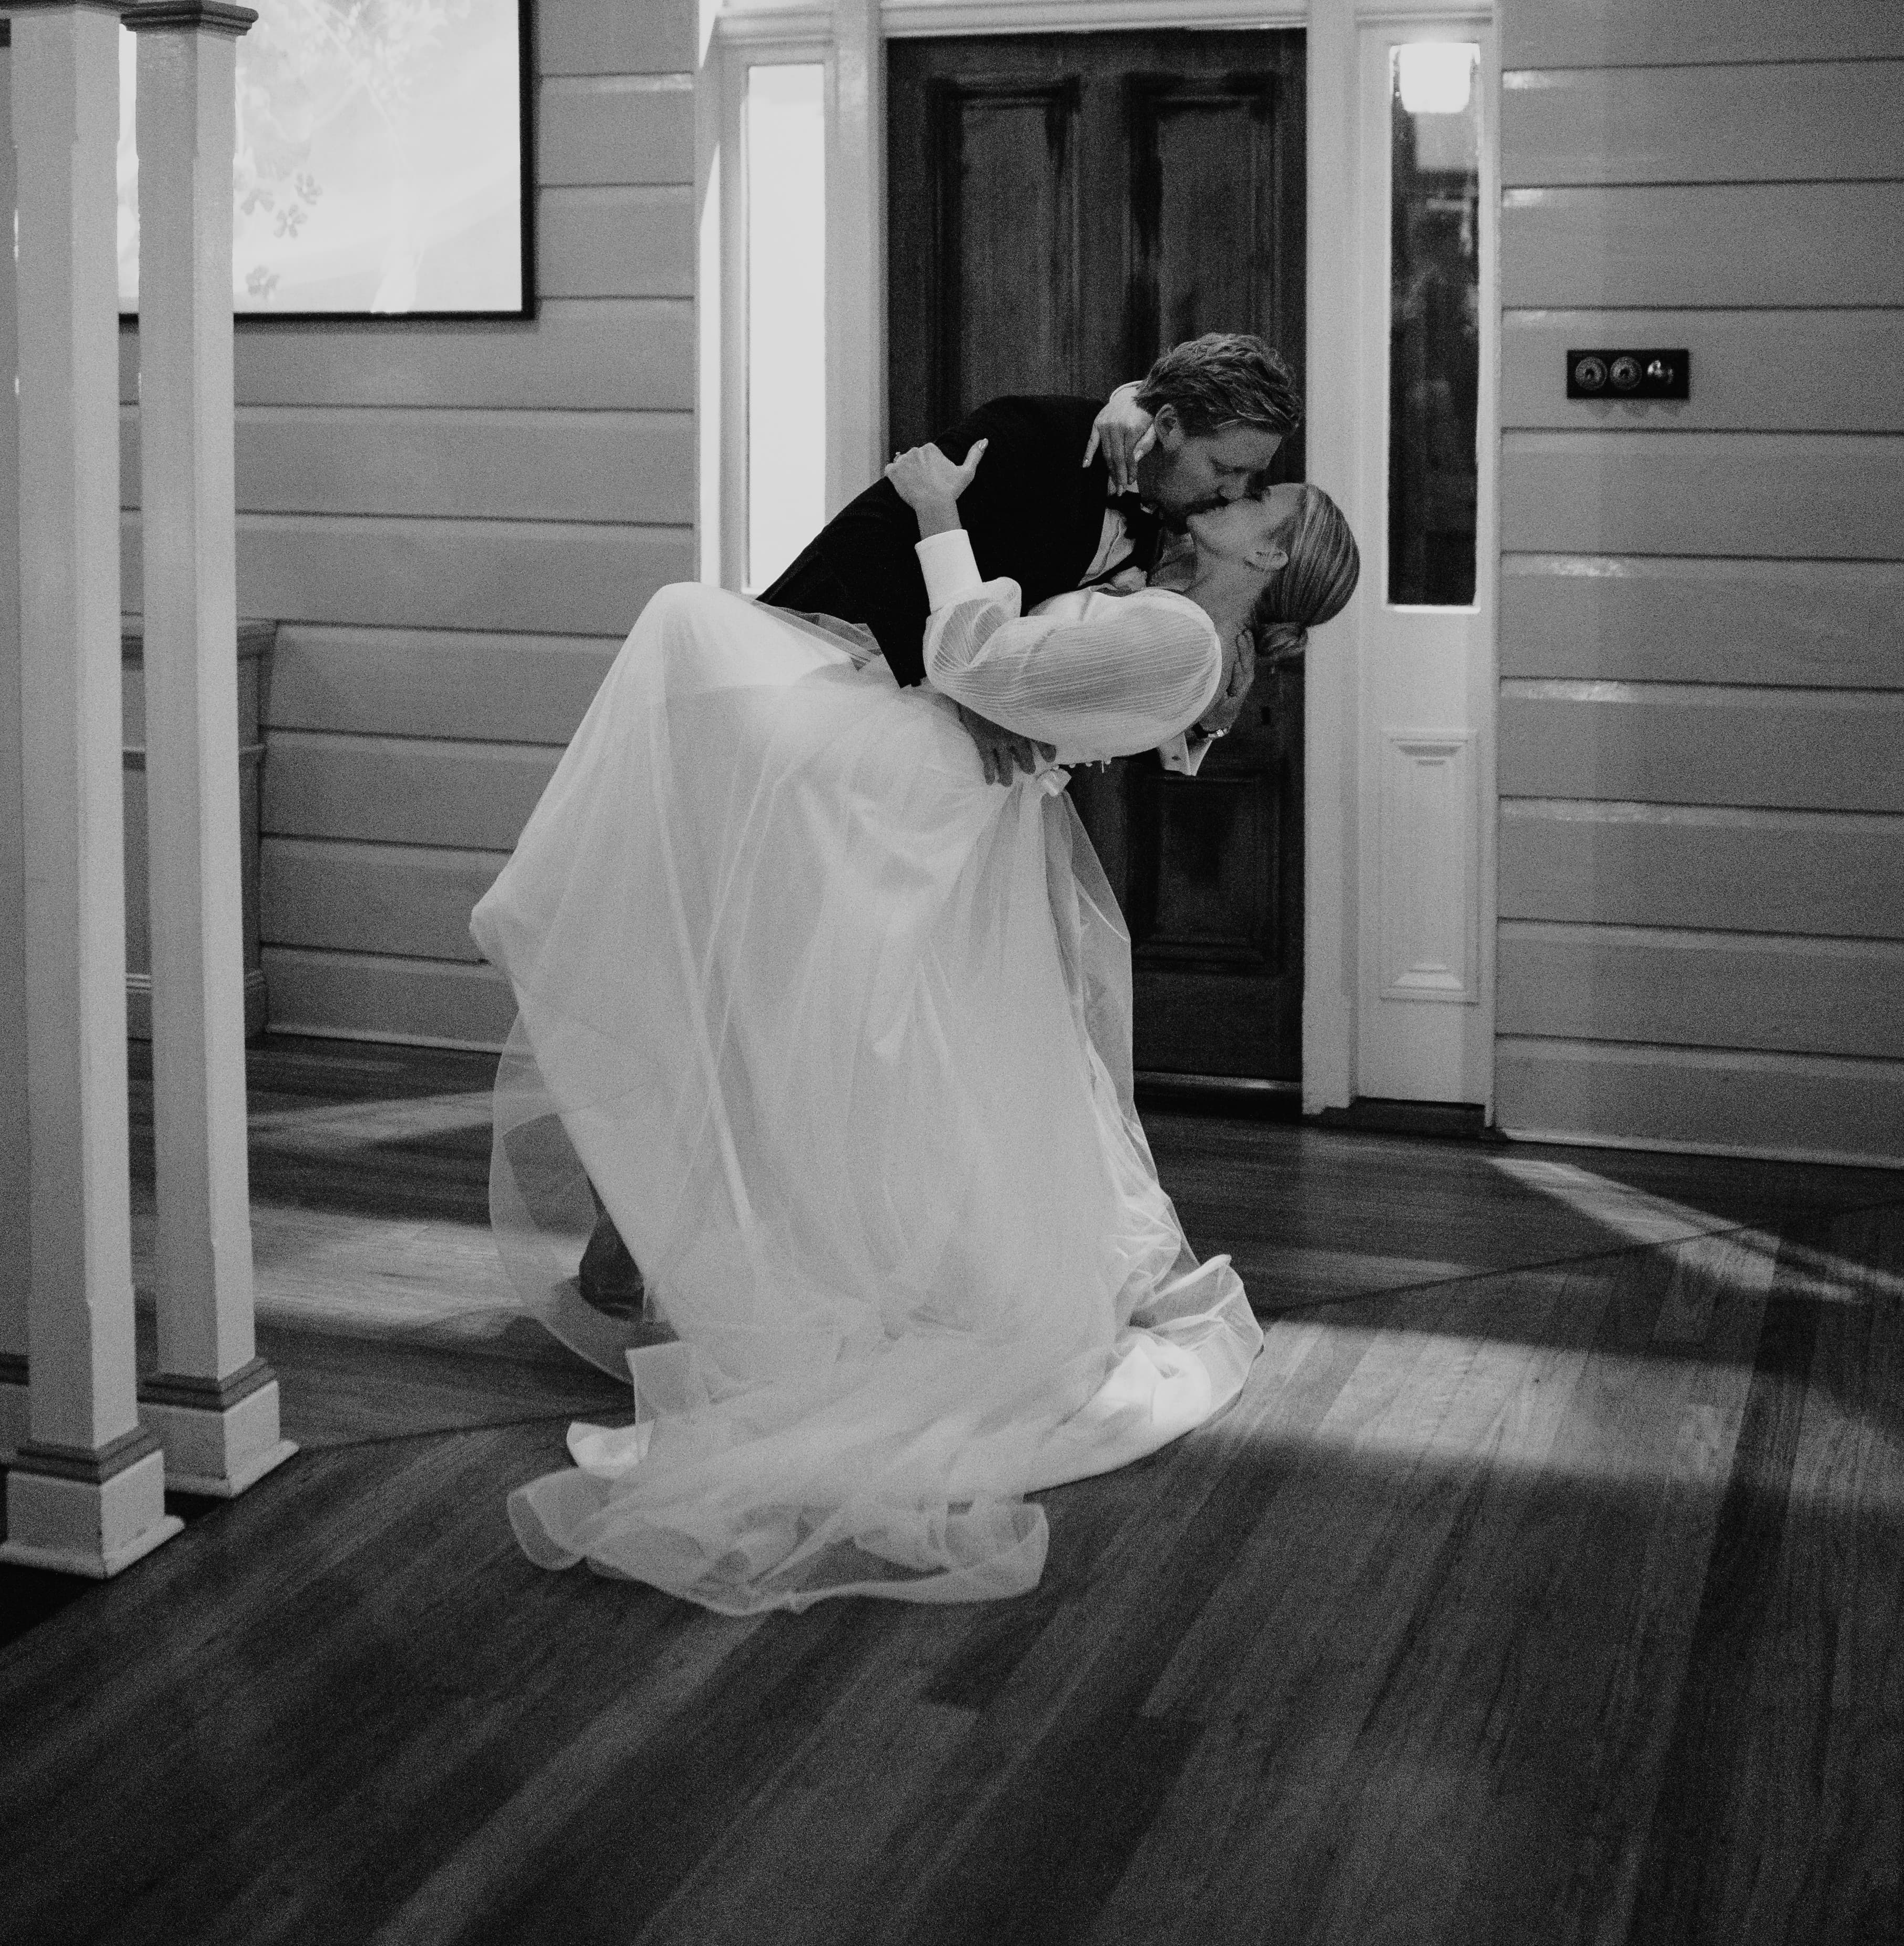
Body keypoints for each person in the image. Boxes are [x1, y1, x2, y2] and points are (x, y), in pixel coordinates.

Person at [470, 437, 1360, 1617]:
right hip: (929, 779)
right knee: (858, 1017)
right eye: (1244, 479)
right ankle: (668, 1136)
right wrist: (989, 682)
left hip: (909, 782)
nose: (1234, 497)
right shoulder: (1170, 613)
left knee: (688, 624)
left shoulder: (1185, 639)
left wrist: (939, 512)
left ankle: (572, 946)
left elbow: (979, 658)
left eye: (1261, 500)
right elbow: (1010, 677)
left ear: (1268, 549)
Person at [759, 330, 1303, 787]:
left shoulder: (1180, 534)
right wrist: (969, 692)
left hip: (938, 772)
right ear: (1167, 426)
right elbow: (868, 540)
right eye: (1224, 468)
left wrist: (1211, 724)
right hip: (818, 679)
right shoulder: (1035, 434)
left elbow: (1093, 688)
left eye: (1249, 478)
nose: (1234, 491)